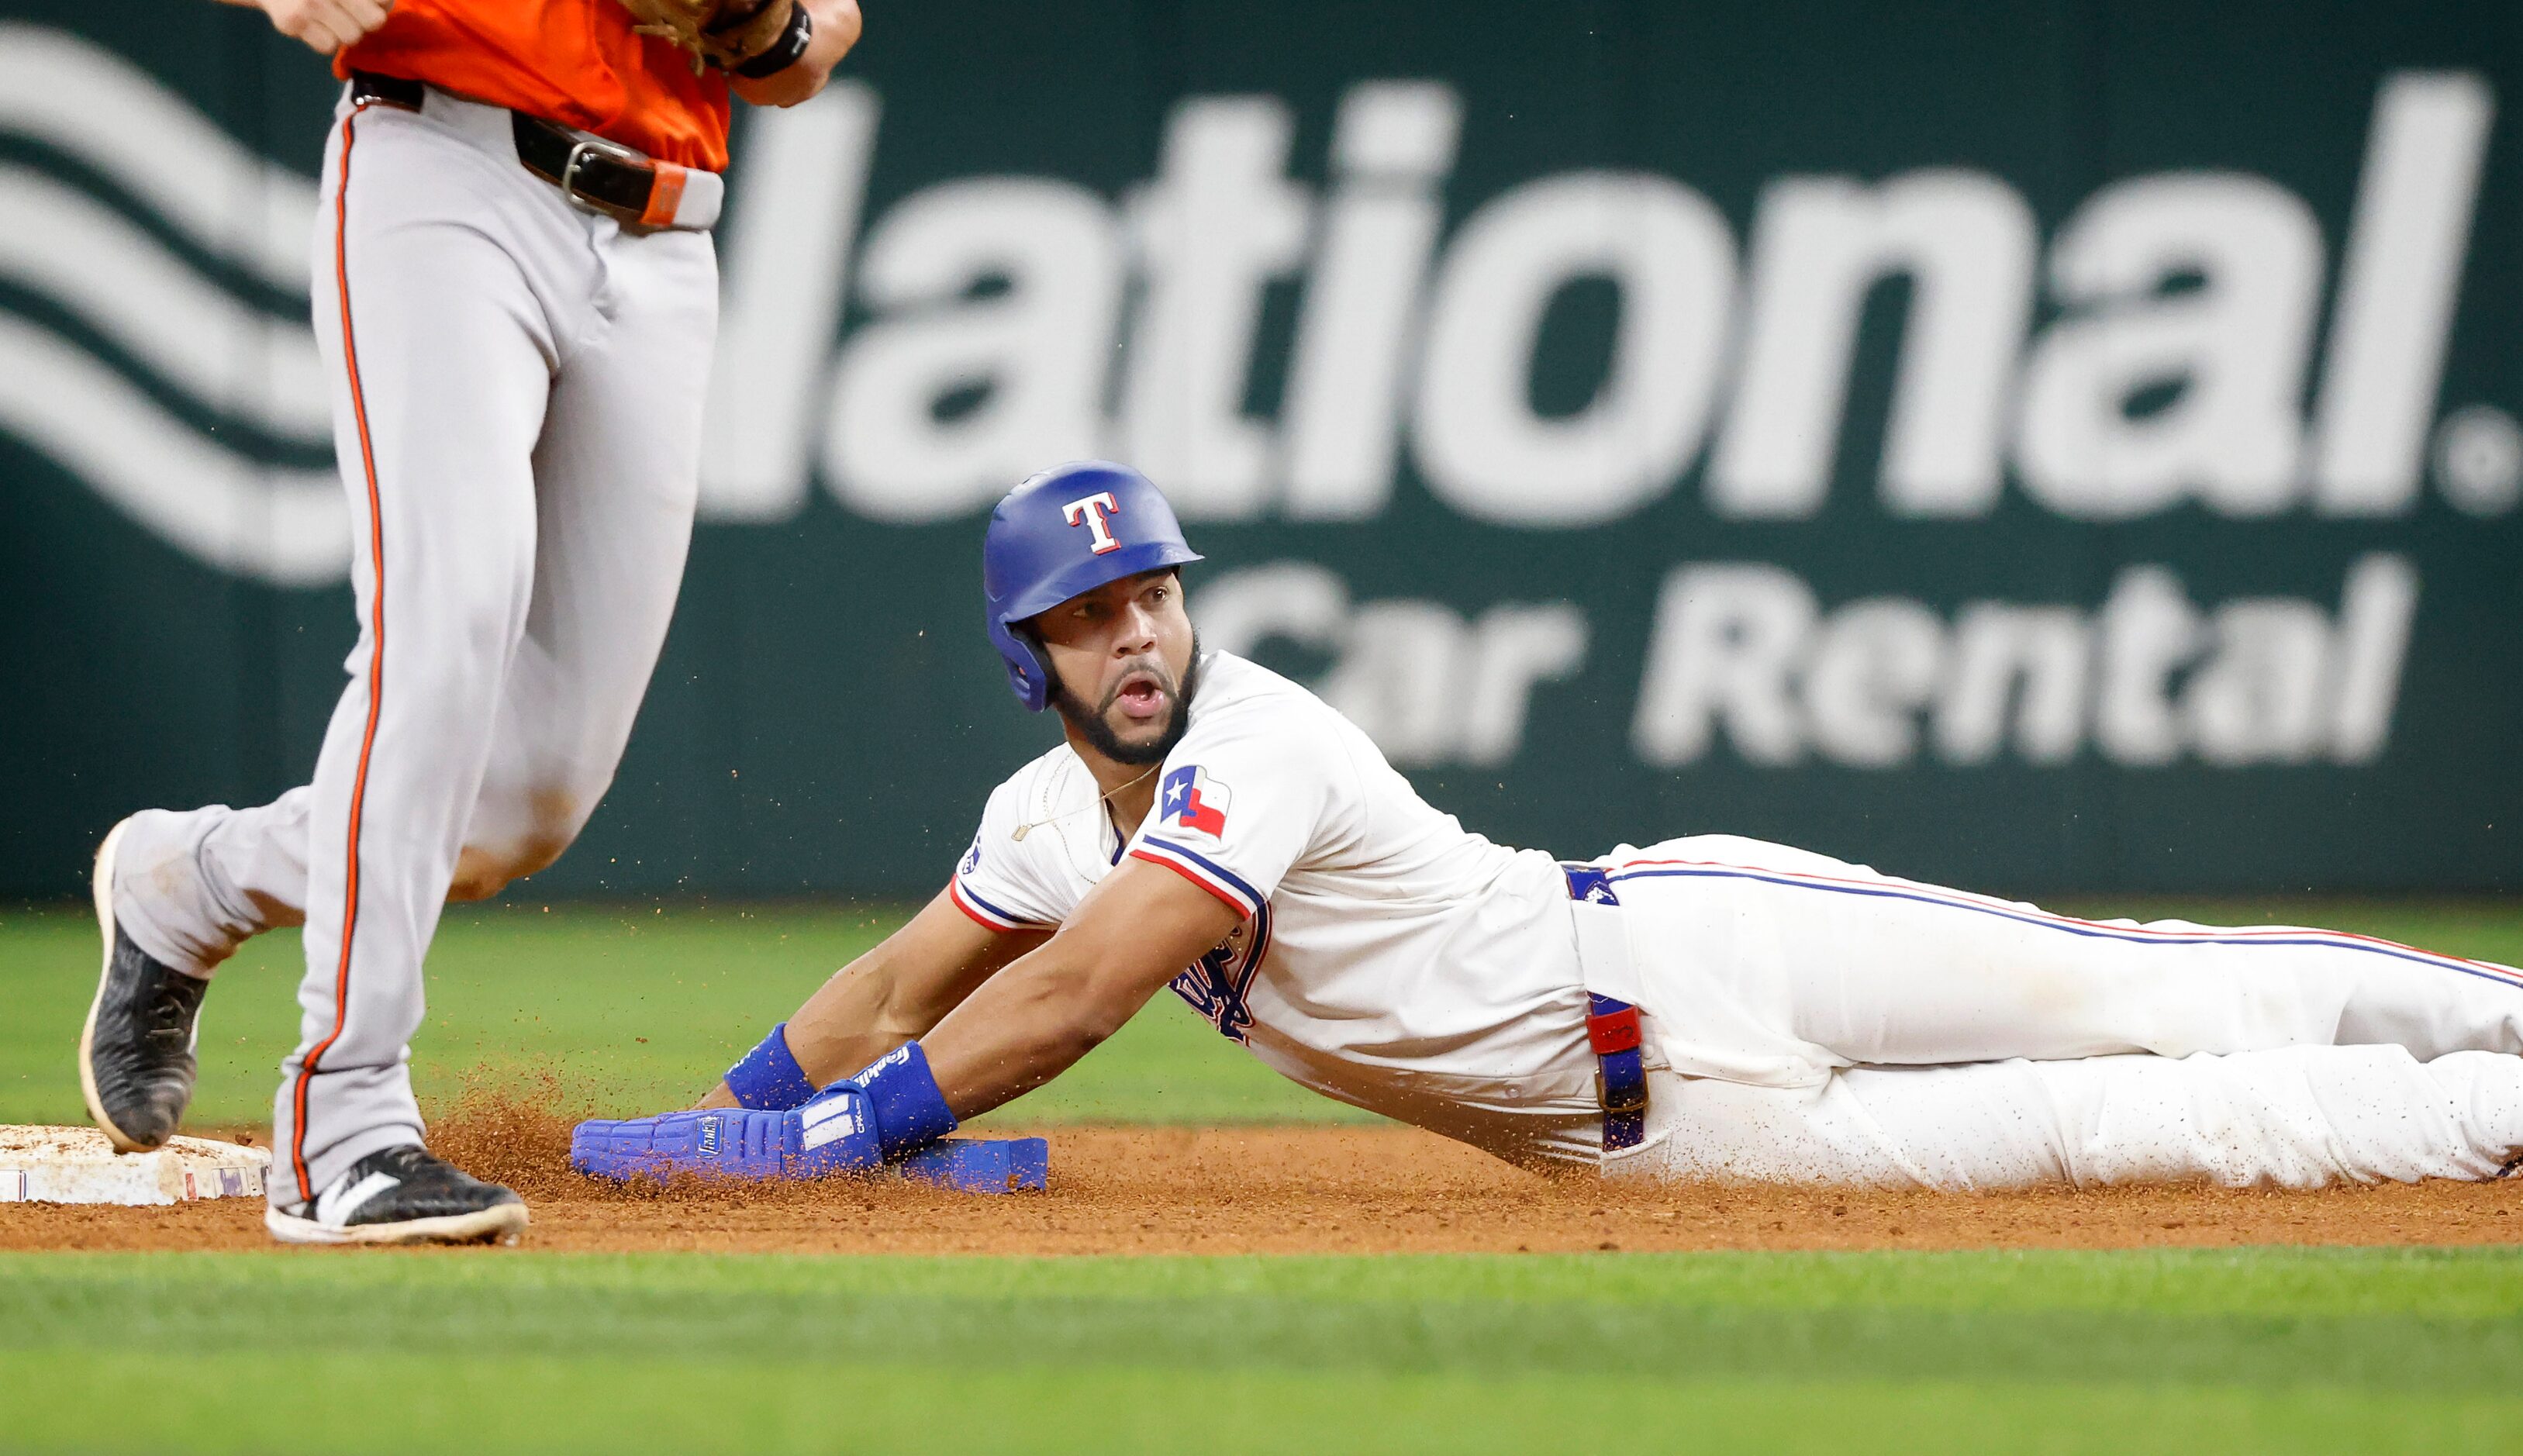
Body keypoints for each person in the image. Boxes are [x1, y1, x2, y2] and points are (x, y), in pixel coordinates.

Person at [571, 461, 2523, 1192]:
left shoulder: (1260, 732)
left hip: (1683, 941)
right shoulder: (1035, 813)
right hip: (1675, 1140)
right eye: (1087, 615)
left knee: (2146, 992)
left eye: (1152, 589)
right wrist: (741, 1109)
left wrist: (838, 1136)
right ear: (1032, 657)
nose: (1135, 630)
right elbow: (907, 978)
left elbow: (1082, 992)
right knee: (2151, 1132)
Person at [79, 0, 861, 1244]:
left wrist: (756, 22)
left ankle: (194, 881)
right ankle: (341, 1130)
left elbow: (814, 47)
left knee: (520, 805)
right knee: (444, 621)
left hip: (666, 234)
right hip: (449, 172)